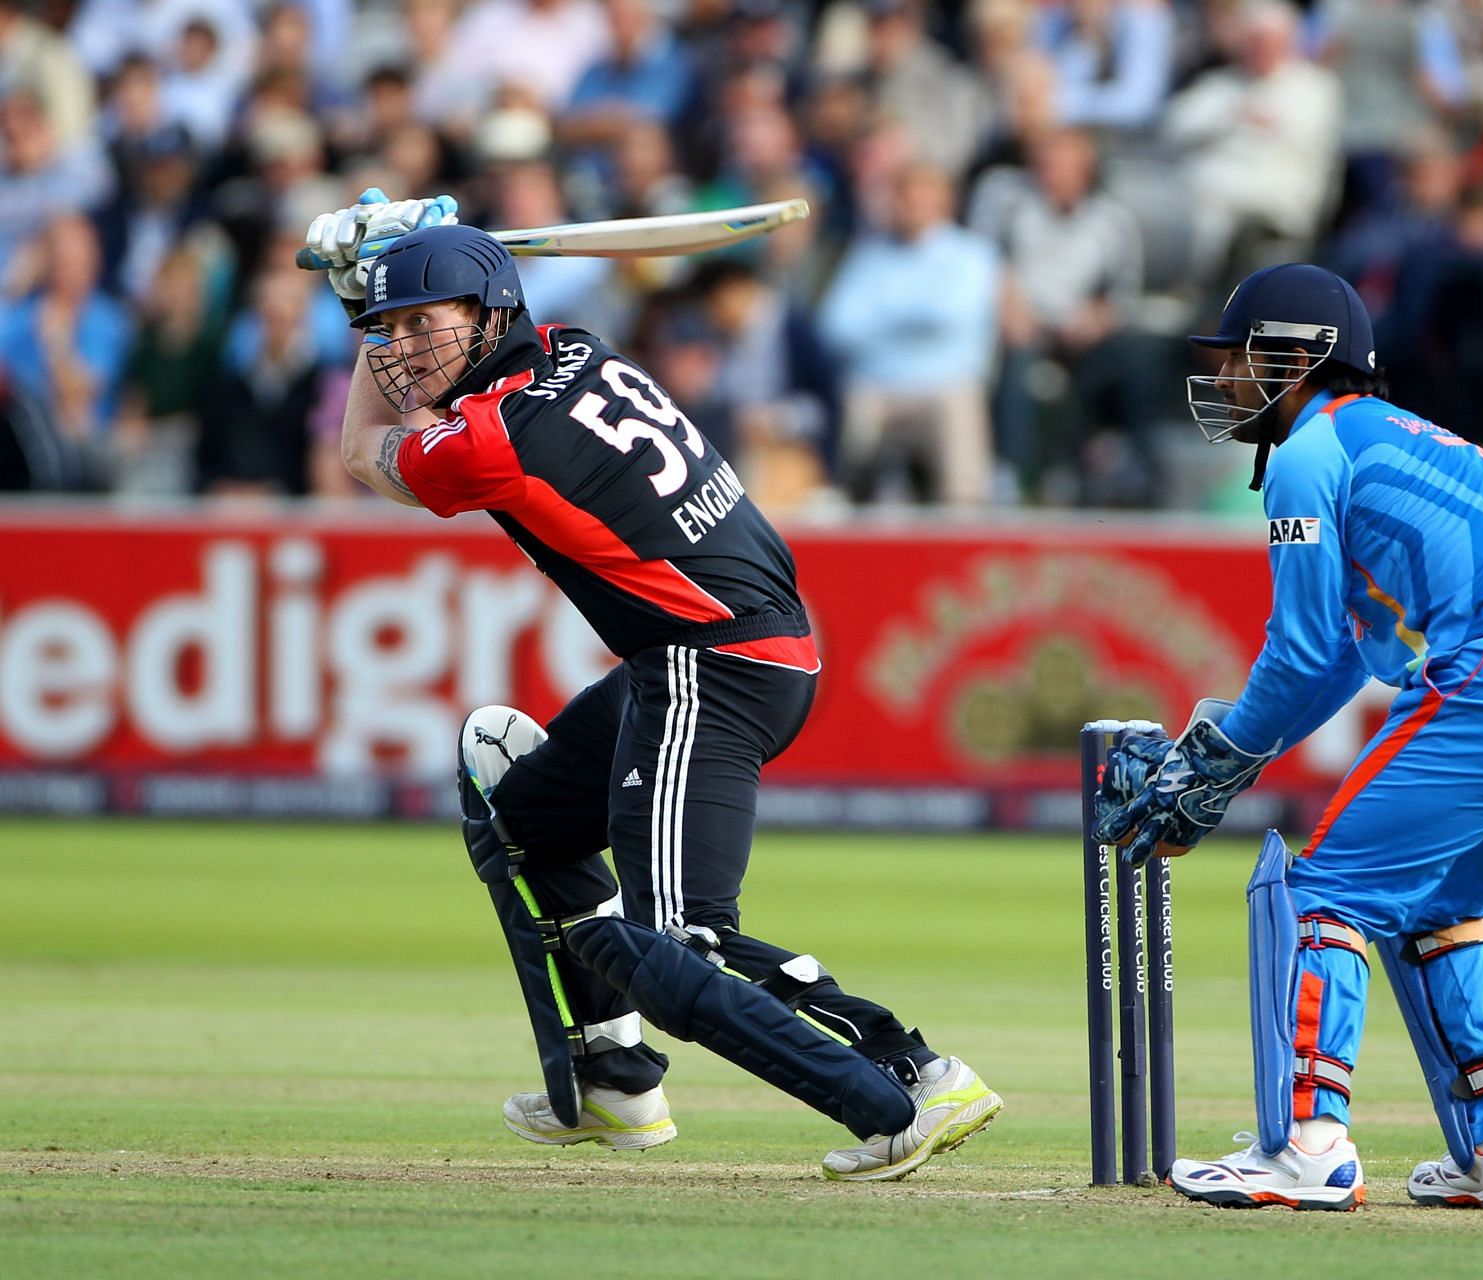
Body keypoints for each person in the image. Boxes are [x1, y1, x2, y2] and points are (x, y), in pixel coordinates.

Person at [302, 190, 1001, 1181]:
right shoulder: (580, 345)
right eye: (389, 329)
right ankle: (612, 1079)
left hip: (710, 664)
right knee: (521, 806)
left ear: (493, 313)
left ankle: (906, 1076)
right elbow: (432, 395)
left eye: (425, 322)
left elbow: (361, 451)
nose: (402, 349)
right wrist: (381, 282)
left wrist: (351, 294)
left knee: (672, 949)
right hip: (713, 650)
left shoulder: (495, 440)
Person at [1093, 263, 1483, 1211]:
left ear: (1296, 357)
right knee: (1439, 897)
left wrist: (1215, 764)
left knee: (1325, 889)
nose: (1226, 381)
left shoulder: (1311, 453)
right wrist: (1236, 745)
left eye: (1237, 359)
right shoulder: (1388, 436)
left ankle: (1310, 1145)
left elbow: (1304, 649)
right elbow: (1356, 654)